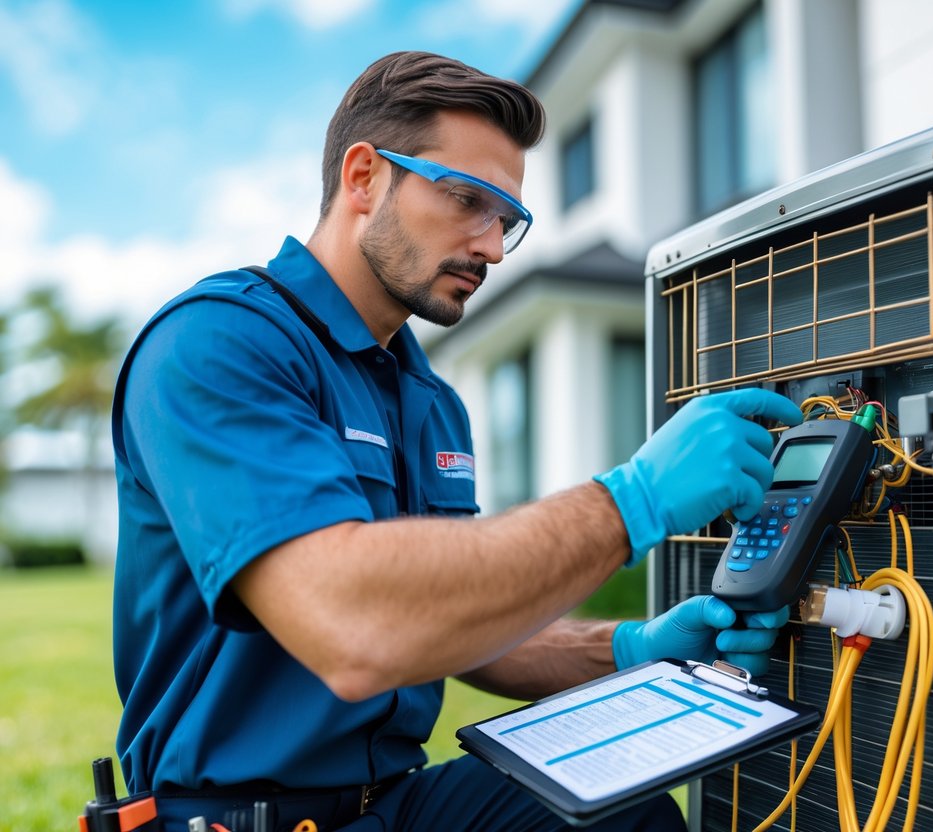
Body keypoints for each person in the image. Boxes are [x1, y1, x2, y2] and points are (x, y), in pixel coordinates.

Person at [110, 51, 803, 831]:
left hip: (399, 802)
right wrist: (631, 502)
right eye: (466, 199)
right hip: (236, 816)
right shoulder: (217, 346)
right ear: (364, 178)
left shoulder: (429, 399)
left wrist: (630, 650)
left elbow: (452, 621)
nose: (494, 248)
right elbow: (355, 628)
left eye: (505, 218)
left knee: (625, 817)